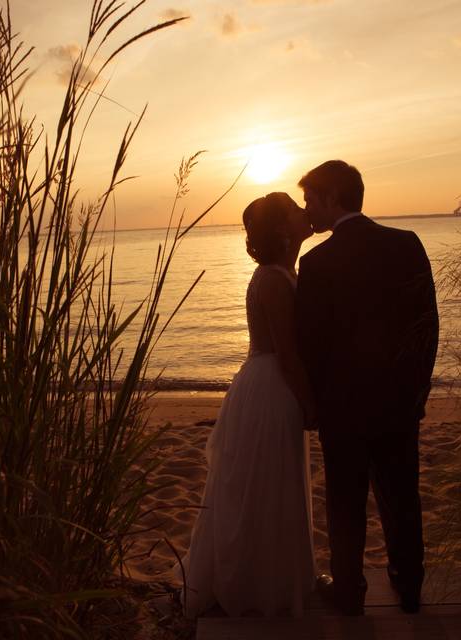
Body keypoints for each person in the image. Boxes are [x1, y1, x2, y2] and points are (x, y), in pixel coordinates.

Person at [295, 160, 438, 615]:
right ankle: (410, 585)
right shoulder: (406, 244)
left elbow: (310, 343)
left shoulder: (316, 262)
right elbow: (427, 325)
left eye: (311, 200)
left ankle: (350, 591)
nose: (308, 210)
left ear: (334, 197)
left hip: (343, 407)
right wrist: (419, 389)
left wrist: (315, 403)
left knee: (345, 500)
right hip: (398, 401)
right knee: (402, 495)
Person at [180, 192, 317, 617]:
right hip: (272, 388)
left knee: (271, 484)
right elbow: (289, 354)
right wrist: (310, 404)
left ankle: (273, 576)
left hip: (267, 383)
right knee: (269, 484)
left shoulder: (281, 273)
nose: (303, 213)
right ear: (281, 227)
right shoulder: (275, 280)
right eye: (295, 210)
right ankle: (260, 584)